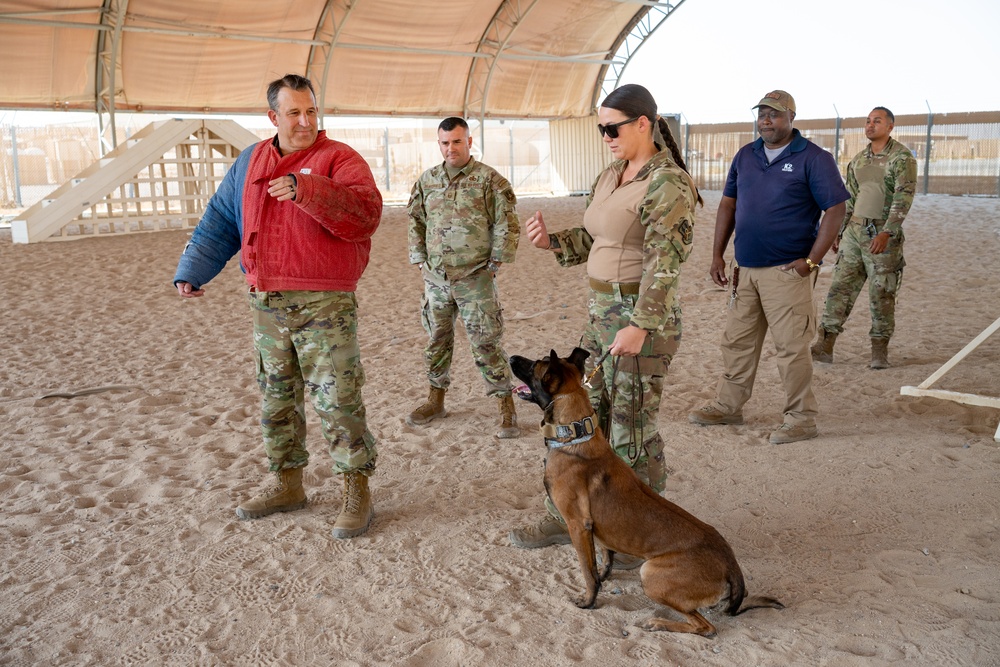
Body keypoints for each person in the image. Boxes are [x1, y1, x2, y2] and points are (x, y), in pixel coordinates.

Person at [173, 74, 382, 539]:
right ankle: (287, 483)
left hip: (324, 300)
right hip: (266, 299)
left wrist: (308, 190)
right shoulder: (250, 161)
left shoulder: (340, 158)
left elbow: (365, 216)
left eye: (311, 111)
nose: (305, 121)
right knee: (276, 398)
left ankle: (356, 489)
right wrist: (193, 269)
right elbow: (222, 219)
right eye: (294, 112)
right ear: (273, 117)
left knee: (337, 398)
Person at [508, 83, 701, 551]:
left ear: (643, 123)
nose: (605, 136)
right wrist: (554, 242)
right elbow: (600, 238)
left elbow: (664, 262)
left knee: (632, 427)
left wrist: (640, 325)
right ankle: (567, 514)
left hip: (639, 320)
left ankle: (641, 534)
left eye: (612, 127)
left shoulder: (667, 182)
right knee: (582, 418)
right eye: (600, 129)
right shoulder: (613, 173)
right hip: (600, 315)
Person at [688, 90, 849, 445]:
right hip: (744, 270)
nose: (766, 119)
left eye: (774, 114)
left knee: (791, 348)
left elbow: (835, 209)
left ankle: (801, 419)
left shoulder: (813, 158)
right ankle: (729, 407)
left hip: (787, 272)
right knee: (737, 342)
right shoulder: (746, 156)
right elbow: (728, 206)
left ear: (791, 116)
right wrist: (717, 255)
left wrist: (811, 261)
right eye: (761, 113)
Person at [406, 117, 521, 439]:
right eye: (445, 142)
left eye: (457, 141)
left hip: (475, 278)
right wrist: (419, 260)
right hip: (436, 280)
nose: (450, 148)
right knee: (437, 341)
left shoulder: (489, 180)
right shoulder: (427, 180)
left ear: (470, 141)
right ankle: (435, 400)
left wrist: (496, 263)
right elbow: (415, 220)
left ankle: (505, 407)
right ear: (438, 144)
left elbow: (507, 223)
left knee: (486, 342)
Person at [812, 107, 917, 369]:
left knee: (882, 292)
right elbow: (850, 198)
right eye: (868, 121)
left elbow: (904, 198)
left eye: (877, 121)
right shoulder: (858, 160)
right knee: (840, 289)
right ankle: (825, 345)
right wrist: (840, 231)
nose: (870, 125)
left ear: (890, 126)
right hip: (854, 234)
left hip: (882, 234)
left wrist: (887, 232)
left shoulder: (902, 159)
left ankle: (879, 351)